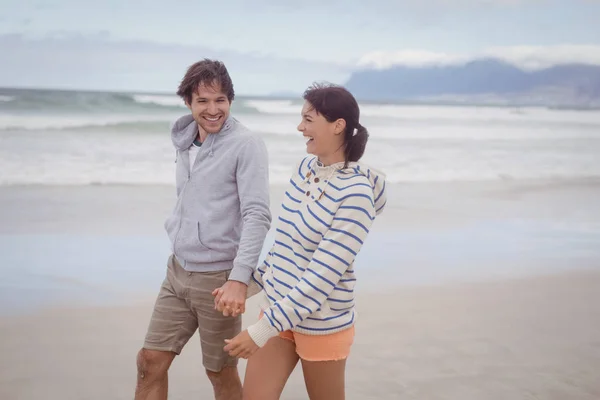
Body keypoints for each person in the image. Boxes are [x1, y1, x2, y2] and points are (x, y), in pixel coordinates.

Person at [214, 83, 387, 400]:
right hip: (281, 312)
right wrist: (245, 285)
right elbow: (286, 247)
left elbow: (322, 277)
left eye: (308, 119)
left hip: (322, 322)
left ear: (338, 126)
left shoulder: (356, 195)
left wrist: (261, 330)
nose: (300, 127)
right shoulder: (305, 169)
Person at [135, 59, 272, 400]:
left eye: (221, 100)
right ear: (188, 102)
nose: (213, 110)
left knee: (219, 373)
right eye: (203, 101)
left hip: (219, 280)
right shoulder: (183, 140)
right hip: (177, 272)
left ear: (230, 101)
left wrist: (239, 280)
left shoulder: (246, 144)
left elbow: (257, 214)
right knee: (150, 361)